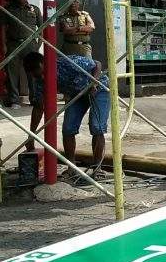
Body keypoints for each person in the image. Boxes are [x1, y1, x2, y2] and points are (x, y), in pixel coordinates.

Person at [23, 51, 110, 180]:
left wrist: (94, 81)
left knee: (97, 127)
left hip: (98, 90)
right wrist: (32, 134)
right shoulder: (40, 81)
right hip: (76, 94)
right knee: (68, 128)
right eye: (36, 76)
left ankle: (98, 168)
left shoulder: (67, 62)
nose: (41, 77)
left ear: (44, 64)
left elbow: (97, 64)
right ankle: (71, 167)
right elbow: (38, 108)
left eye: (40, 73)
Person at [4, 0, 41, 107]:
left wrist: (38, 45)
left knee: (33, 71)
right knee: (12, 72)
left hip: (30, 44)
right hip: (13, 43)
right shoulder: (9, 9)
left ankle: (34, 98)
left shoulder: (34, 10)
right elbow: (3, 27)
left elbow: (42, 27)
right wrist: (5, 44)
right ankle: (14, 100)